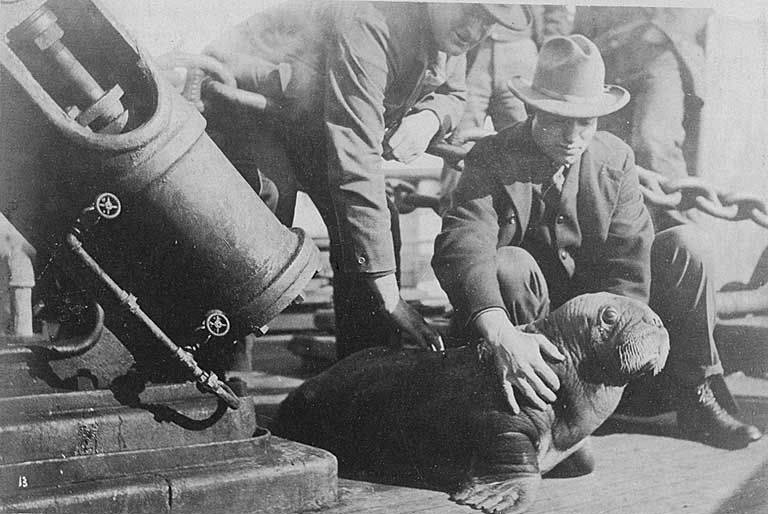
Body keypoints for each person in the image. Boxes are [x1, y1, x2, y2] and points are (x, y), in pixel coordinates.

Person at [431, 35, 762, 449]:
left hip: (604, 339)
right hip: (532, 336)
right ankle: (533, 415)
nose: (572, 136)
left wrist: (623, 356)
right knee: (507, 264)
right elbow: (463, 240)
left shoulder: (615, 158)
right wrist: (498, 331)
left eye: (585, 122)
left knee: (688, 245)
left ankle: (695, 394)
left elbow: (631, 259)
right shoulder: (493, 155)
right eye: (558, 120)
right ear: (534, 109)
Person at [203, 2, 531, 359]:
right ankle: (219, 363)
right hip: (254, 107)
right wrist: (390, 296)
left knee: (377, 227)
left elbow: (454, 94)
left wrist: (430, 119)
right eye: (470, 9)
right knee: (265, 204)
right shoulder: (371, 18)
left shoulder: (447, 31)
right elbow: (357, 161)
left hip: (317, 119)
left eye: (487, 19)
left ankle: (367, 371)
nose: (474, 27)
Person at [573, 7, 712, 231]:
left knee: (653, 143)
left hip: (660, 49)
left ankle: (685, 241)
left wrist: (663, 28)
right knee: (603, 150)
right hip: (605, 51)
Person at [439, 5, 573, 211]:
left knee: (530, 142)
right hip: (472, 48)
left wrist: (549, 50)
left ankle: (532, 229)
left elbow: (557, 9)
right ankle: (454, 226)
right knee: (458, 140)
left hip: (522, 51)